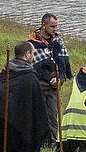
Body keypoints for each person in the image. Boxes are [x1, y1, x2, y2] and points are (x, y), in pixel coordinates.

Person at [28, 13, 72, 145]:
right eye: (52, 26)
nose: (55, 29)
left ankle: (52, 143)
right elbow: (33, 65)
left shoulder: (58, 41)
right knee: (38, 115)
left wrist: (59, 77)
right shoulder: (31, 43)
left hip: (54, 86)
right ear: (43, 25)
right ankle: (38, 142)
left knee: (53, 116)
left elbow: (63, 61)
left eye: (56, 26)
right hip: (40, 84)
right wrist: (48, 78)